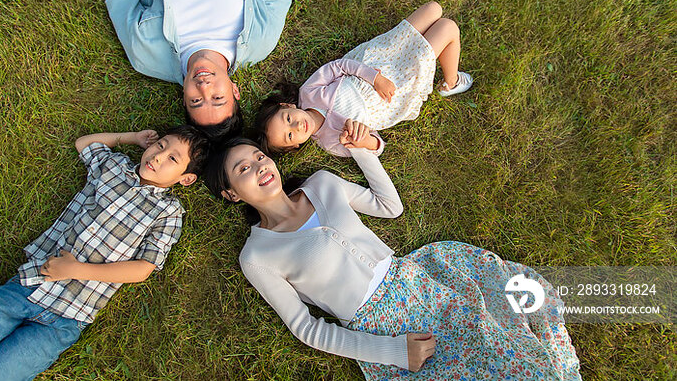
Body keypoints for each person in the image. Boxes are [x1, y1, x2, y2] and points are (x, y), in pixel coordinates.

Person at [204, 138, 581, 380]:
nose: (259, 167)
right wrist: (392, 352)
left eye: (258, 156)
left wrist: (362, 149)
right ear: (231, 194)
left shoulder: (322, 183)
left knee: (512, 354)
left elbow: (390, 206)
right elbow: (306, 327)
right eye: (243, 169)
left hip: (420, 283)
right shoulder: (256, 255)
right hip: (386, 329)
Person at [0, 125, 210, 380]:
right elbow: (84, 143)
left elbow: (143, 267)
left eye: (172, 158)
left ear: (185, 178)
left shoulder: (168, 212)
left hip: (67, 318)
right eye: (160, 146)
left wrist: (76, 269)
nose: (157, 156)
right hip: (29, 284)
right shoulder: (115, 168)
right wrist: (130, 138)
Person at [106, 0, 292, 138]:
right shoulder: (259, 42)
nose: (204, 86)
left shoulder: (146, 56)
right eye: (217, 98)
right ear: (235, 90)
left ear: (184, 99)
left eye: (196, 101)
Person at [253, 2, 472, 157]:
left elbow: (338, 66)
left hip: (376, 63)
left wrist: (375, 78)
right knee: (447, 27)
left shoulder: (308, 92)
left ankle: (419, 50)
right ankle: (450, 83)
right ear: (295, 146)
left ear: (288, 105)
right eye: (290, 135)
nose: (298, 126)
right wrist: (364, 141)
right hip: (394, 91)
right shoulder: (332, 142)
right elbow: (377, 146)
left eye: (289, 118)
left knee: (434, 8)